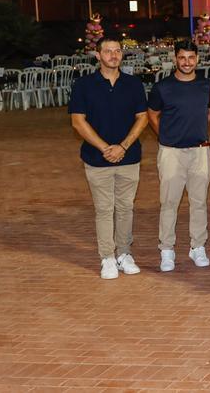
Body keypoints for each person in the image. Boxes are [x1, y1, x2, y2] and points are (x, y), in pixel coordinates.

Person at [69, 35, 149, 280]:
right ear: (98, 56)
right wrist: (106, 148)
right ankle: (107, 257)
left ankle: (124, 253)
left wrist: (123, 146)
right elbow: (77, 121)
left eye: (117, 51)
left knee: (125, 208)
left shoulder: (133, 84)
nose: (113, 55)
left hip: (129, 156)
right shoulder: (84, 85)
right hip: (97, 158)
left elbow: (143, 117)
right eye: (108, 51)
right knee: (104, 209)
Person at [146, 40, 210, 272]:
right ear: (175, 58)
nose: (187, 62)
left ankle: (198, 246)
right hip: (171, 152)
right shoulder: (163, 87)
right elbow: (152, 113)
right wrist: (164, 134)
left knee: (199, 202)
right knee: (169, 203)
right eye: (182, 58)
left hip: (200, 150)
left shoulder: (206, 85)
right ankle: (167, 249)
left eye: (191, 57)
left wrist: (200, 130)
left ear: (197, 59)